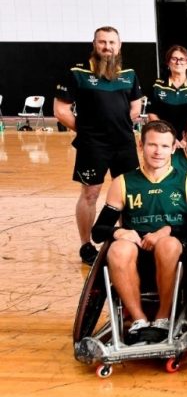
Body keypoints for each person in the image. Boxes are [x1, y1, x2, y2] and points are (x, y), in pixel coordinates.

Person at [89, 120, 187, 344]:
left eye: (164, 146)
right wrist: (118, 233)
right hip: (137, 251)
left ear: (174, 148)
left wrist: (168, 230)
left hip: (176, 252)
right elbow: (97, 231)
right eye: (152, 145)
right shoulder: (123, 182)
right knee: (118, 250)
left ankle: (163, 316)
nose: (158, 151)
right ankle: (139, 319)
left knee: (168, 244)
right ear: (141, 146)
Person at [53, 26, 143, 265]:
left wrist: (122, 123)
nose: (107, 47)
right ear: (94, 44)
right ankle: (86, 245)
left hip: (124, 143)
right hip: (93, 146)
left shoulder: (129, 73)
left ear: (119, 45)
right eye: (102, 42)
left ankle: (129, 241)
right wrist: (87, 131)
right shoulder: (77, 73)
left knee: (130, 193)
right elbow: (60, 110)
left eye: (112, 42)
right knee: (90, 193)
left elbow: (136, 105)